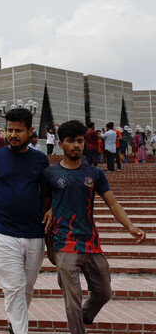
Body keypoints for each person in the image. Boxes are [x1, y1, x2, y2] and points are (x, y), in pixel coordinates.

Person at [41, 120, 146, 334]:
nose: (76, 145)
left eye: (79, 141)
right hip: (64, 243)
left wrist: (130, 226)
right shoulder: (50, 174)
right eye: (70, 141)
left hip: (91, 243)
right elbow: (44, 212)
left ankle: (85, 315)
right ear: (61, 144)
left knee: (103, 292)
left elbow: (112, 203)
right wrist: (49, 247)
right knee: (73, 301)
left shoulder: (94, 174)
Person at [0, 108, 49, 334]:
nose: (12, 134)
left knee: (26, 289)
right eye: (9, 130)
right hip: (2, 233)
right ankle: (20, 331)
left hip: (34, 234)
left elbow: (47, 195)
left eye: (18, 130)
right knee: (14, 287)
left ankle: (14, 323)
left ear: (30, 131)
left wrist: (50, 214)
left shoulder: (40, 160)